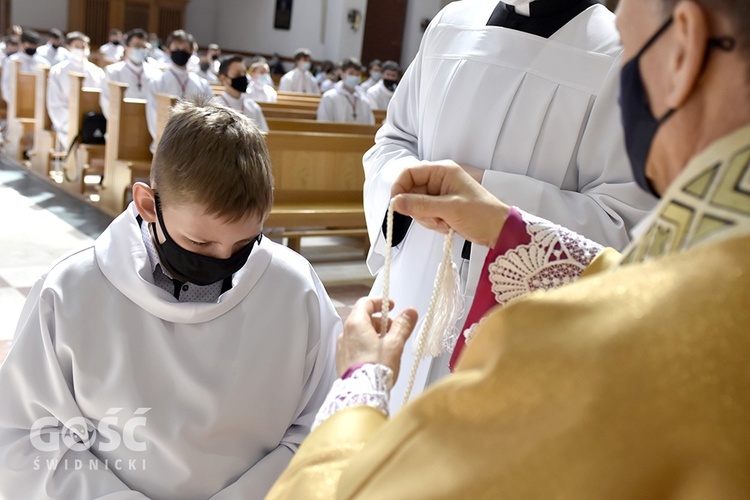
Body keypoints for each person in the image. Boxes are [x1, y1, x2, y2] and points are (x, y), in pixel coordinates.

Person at [267, 0, 750, 494]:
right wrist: (506, 225)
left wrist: (360, 381)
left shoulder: (599, 345)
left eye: (632, 48)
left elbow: (351, 491)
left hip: (496, 331)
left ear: (683, 45)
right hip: (413, 282)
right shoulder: (450, 23)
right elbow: (643, 276)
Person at [0, 97, 339, 499]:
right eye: (200, 241)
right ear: (148, 205)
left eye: (246, 242)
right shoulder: (72, 290)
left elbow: (323, 423)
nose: (223, 261)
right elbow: (27, 435)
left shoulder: (294, 287)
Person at [363, 0, 658, 411]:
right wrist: (407, 181)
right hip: (410, 287)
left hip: (519, 331)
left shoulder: (623, 51)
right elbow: (393, 139)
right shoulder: (450, 23)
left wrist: (489, 194)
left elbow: (625, 226)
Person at [145, 30, 213, 150]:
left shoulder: (202, 84)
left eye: (185, 49)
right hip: (165, 146)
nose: (181, 52)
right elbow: (154, 115)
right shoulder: (157, 82)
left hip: (195, 147)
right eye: (176, 47)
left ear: (192, 52)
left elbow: (210, 114)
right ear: (168, 51)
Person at [46, 31, 104, 150]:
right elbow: (55, 102)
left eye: (83, 46)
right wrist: (71, 121)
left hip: (92, 121)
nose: (81, 50)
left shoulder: (97, 72)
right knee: (73, 138)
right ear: (69, 48)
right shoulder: (58, 71)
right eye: (77, 47)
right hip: (66, 121)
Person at [99, 28, 161, 119]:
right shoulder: (113, 71)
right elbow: (106, 101)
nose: (140, 50)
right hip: (120, 123)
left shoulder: (155, 73)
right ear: (126, 47)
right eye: (136, 46)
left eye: (143, 47)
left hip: (147, 124)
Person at [214, 55, 268, 132]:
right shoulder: (214, 106)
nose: (243, 77)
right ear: (223, 78)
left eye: (244, 73)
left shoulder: (253, 107)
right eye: (237, 74)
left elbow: (264, 135)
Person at [317, 57, 374, 124]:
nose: (355, 77)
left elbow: (370, 124)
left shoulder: (364, 99)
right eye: (351, 73)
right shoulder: (329, 97)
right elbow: (323, 123)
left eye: (358, 74)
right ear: (341, 74)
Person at [1, 29, 48, 105]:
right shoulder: (12, 61)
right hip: (17, 102)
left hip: (38, 103)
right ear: (21, 44)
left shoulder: (43, 63)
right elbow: (6, 82)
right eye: (29, 44)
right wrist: (12, 102)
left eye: (34, 45)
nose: (32, 47)